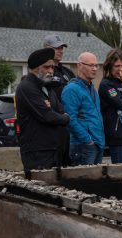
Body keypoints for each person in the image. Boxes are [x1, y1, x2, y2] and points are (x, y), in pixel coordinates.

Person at [15, 48, 70, 174]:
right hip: (38, 153)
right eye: (46, 67)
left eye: (52, 67)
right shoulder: (27, 87)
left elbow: (59, 110)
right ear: (35, 68)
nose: (51, 71)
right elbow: (48, 116)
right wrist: (65, 118)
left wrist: (55, 113)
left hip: (54, 151)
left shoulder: (47, 87)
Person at [62, 52, 105, 165]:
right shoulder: (71, 89)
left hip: (97, 144)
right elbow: (70, 119)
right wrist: (88, 141)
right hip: (83, 146)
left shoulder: (91, 88)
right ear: (79, 65)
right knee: (84, 181)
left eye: (96, 65)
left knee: (97, 181)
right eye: (91, 65)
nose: (95, 68)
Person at [43, 34, 75, 166]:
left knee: (68, 165)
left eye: (62, 47)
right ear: (46, 48)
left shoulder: (67, 72)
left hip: (70, 123)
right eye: (57, 48)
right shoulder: (42, 72)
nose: (61, 50)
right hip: (53, 126)